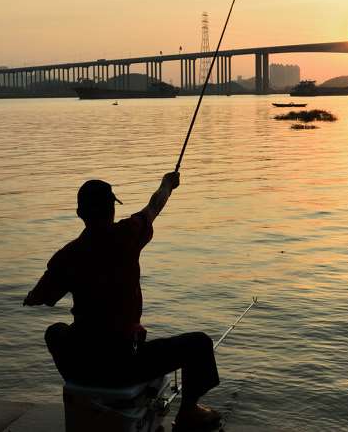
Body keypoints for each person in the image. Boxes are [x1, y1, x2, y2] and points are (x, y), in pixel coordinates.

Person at [23, 172, 222, 430]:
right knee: (200, 344)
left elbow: (41, 297)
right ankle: (187, 412)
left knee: (54, 331)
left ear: (80, 213)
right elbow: (154, 207)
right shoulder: (128, 235)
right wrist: (167, 184)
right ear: (111, 210)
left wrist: (31, 297)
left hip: (85, 359)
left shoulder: (67, 256)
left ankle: (85, 384)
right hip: (124, 364)